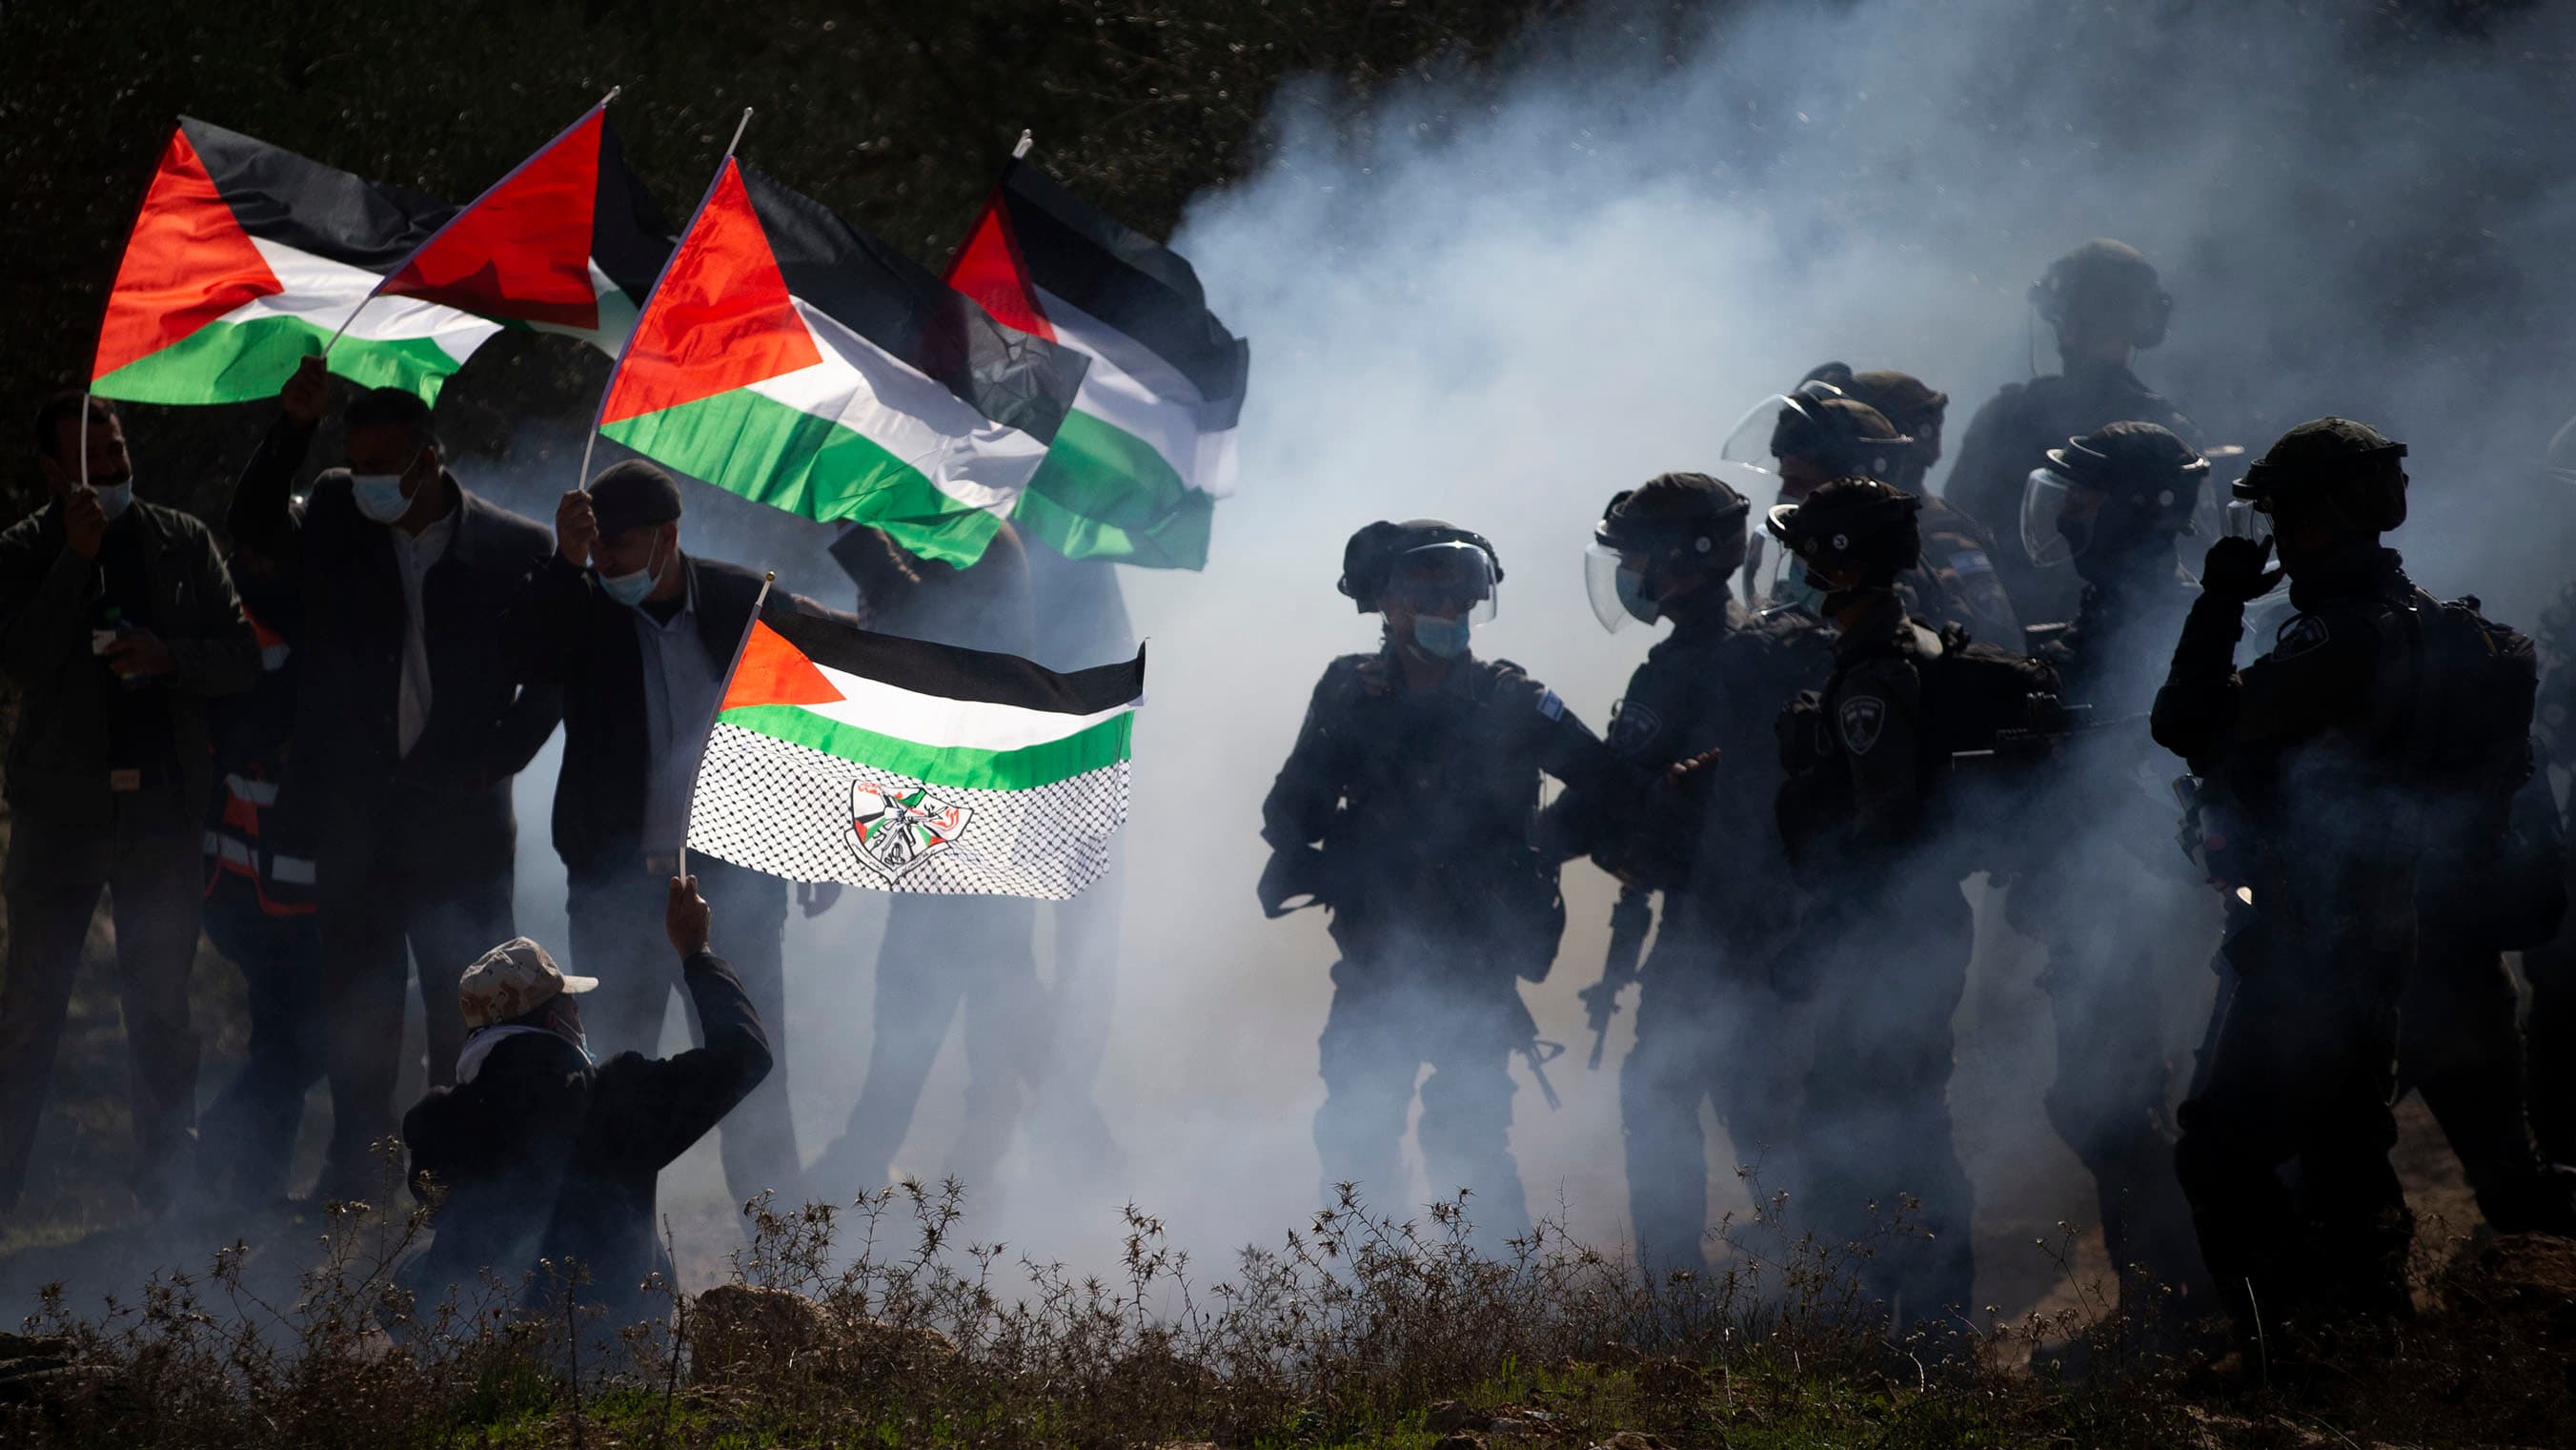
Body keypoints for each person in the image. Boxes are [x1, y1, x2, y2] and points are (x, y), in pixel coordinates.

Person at [2152, 417, 2534, 1340]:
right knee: (2343, 1145)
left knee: (2221, 1154)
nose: (2274, 537)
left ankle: (2292, 1344)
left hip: (2310, 933)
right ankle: (2371, 1332)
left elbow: (2186, 723)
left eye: (2283, 518)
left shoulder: (2338, 641)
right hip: (2386, 922)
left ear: (2320, 522)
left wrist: (2220, 603)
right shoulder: (2458, 632)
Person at [229, 354, 561, 1201]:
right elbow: (257, 526)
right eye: (357, 460)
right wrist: (292, 429)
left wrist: (495, 761)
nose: (366, 478)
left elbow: (552, 674)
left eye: (384, 464)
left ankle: (466, 1173)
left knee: (475, 1006)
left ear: (430, 458)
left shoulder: (513, 548)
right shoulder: (339, 514)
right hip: (357, 822)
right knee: (358, 1001)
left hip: (465, 831)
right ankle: (359, 1171)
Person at [1259, 520, 1612, 1250]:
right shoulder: (1346, 690)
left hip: (1473, 965)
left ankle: (1491, 1328)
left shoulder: (1511, 699)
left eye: (1460, 600)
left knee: (1470, 1150)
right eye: (1431, 599)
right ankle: (1365, 1321)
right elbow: (1290, 812)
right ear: (1384, 604)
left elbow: (1608, 785)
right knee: (1355, 1146)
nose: (1448, 613)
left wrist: (1533, 851)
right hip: (1374, 959)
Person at [507, 460, 844, 1214]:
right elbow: (526, 651)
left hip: (735, 892)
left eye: (618, 545)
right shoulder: (583, 608)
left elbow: (815, 716)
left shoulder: (744, 602)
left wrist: (818, 836)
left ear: (667, 536)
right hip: (614, 891)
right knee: (615, 1089)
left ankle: (781, 1273)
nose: (606, 562)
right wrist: (564, 562)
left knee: (755, 1078)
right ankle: (610, 1292)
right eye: (596, 547)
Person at [1555, 474, 1832, 1276]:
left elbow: (1619, 789)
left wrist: (1535, 836)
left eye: (1637, 556)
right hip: (1777, 910)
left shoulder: (1681, 669)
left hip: (1713, 920)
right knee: (1757, 1098)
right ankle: (1810, 1276)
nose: (1627, 573)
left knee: (1659, 1093)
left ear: (1682, 560)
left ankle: (1676, 1296)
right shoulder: (1766, 646)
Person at [0, 392, 260, 1214]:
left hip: (159, 815)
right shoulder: (25, 547)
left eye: (117, 454)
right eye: (92, 460)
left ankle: (164, 1201)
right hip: (57, 821)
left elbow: (242, 658)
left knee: (161, 1012)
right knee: (29, 1014)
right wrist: (75, 560)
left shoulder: (180, 540)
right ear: (52, 471)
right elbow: (20, 662)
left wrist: (170, 656)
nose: (112, 470)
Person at [2004, 423, 2220, 1303]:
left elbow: (2166, 779)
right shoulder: (2112, 610)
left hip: (2148, 906)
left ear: (2134, 510)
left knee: (2123, 1103)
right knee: (2103, 1100)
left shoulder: (2171, 618)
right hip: (2102, 903)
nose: (2067, 516)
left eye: (2084, 499)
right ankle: (2162, 1294)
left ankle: (2175, 1298)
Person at [1766, 477, 1987, 1328]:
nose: (1794, 573)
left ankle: (1914, 1326)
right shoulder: (1894, 647)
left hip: (1890, 935)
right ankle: (1898, 1318)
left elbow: (1883, 824)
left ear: (1838, 567)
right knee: (1878, 1116)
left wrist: (1818, 935)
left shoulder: (1873, 674)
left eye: (1805, 557)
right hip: (1899, 929)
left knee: (1883, 1126)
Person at [403, 876, 772, 1330]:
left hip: (477, 1351)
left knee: (416, 1269)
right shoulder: (618, 1094)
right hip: (605, 1352)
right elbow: (745, 1054)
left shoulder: (439, 1121)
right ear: (559, 1021)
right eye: (573, 1007)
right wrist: (697, 953)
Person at [805, 522, 1049, 1203]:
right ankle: (1030, 1151)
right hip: (930, 817)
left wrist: (856, 540)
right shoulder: (918, 542)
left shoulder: (979, 538)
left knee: (968, 1002)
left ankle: (1037, 1154)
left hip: (982, 816)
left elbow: (931, 630)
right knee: (944, 999)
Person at [1943, 240, 2201, 628]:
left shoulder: (2004, 415)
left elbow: (1957, 528)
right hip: (2117, 642)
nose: (2074, 333)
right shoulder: (2167, 430)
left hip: (2031, 637)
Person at [191, 535, 329, 1209]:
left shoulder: (308, 628)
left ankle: (255, 1181)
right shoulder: (246, 632)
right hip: (252, 881)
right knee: (306, 1037)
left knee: (284, 1035)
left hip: (282, 880)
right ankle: (215, 1146)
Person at [1766, 386, 2020, 646]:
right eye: (1785, 481)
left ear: (1852, 488)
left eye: (1799, 482)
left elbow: (2001, 651)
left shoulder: (1926, 568)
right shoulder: (1831, 566)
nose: (1786, 495)